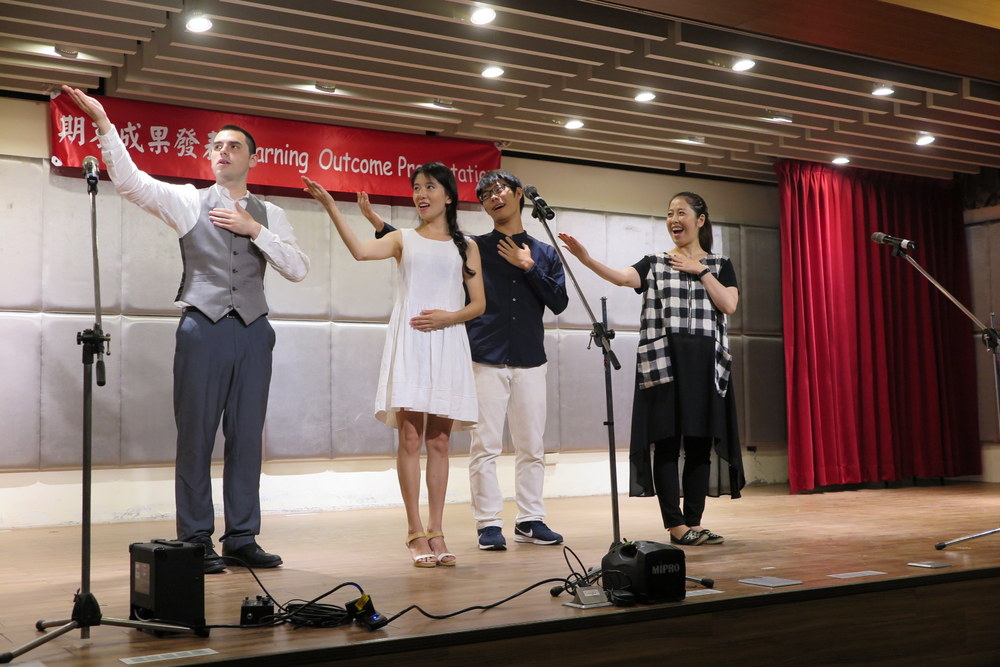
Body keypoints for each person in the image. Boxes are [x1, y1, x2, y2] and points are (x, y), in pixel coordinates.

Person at [61, 86, 310, 573]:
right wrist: (105, 126)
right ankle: (196, 537)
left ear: (253, 160)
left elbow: (298, 269)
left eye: (233, 146)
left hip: (255, 332)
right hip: (203, 328)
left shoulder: (272, 215)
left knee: (247, 437)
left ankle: (242, 536)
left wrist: (253, 230)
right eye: (216, 146)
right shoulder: (187, 202)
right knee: (195, 435)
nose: (223, 152)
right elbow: (132, 183)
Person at [362, 169, 568, 551]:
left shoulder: (543, 252)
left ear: (519, 194)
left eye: (501, 190)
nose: (494, 197)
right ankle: (488, 523)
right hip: (484, 355)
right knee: (484, 446)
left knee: (532, 445)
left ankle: (531, 518)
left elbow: (559, 302)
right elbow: (428, 247)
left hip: (529, 357)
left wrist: (529, 267)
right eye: (486, 193)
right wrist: (381, 226)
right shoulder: (474, 246)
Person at [302, 163, 485, 567]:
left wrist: (447, 318)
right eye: (416, 187)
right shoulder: (403, 239)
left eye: (430, 187)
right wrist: (332, 206)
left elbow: (478, 303)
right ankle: (414, 532)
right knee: (410, 438)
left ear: (449, 196)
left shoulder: (466, 246)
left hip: (447, 340)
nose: (421, 194)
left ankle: (438, 532)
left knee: (440, 441)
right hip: (412, 341)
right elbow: (360, 251)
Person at [559, 192, 744, 546]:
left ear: (700, 220)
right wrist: (585, 258)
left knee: (700, 445)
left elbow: (729, 304)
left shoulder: (720, 264)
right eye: (670, 214)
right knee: (668, 444)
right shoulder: (656, 262)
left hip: (706, 365)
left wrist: (701, 271)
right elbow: (621, 278)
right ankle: (675, 525)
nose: (674, 220)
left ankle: (693, 521)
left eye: (682, 213)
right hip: (664, 362)